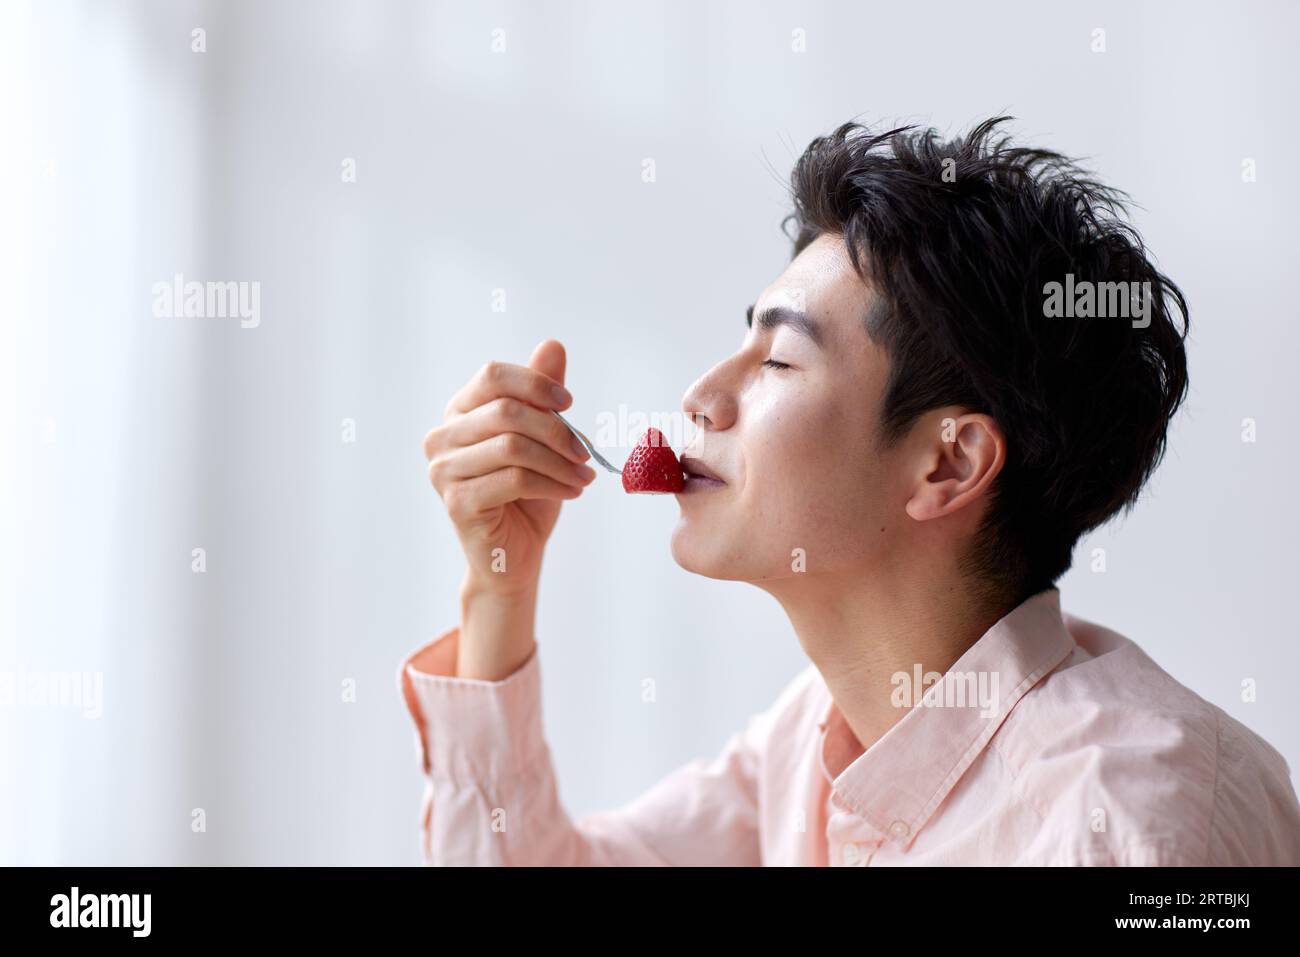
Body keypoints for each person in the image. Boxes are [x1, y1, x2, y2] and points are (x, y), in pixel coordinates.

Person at [401, 117, 1300, 865]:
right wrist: (500, 586)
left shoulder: (1136, 825)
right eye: (743, 341)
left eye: (780, 360)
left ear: (947, 463)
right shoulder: (816, 743)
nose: (702, 396)